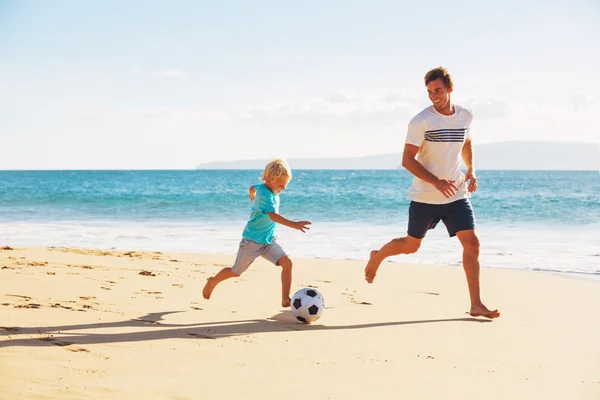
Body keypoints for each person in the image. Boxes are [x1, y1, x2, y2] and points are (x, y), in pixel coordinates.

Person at [364, 66, 500, 319]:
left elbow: (466, 142)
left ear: (450, 88)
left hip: (456, 194)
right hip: (425, 196)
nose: (433, 95)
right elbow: (407, 160)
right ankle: (378, 255)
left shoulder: (465, 116)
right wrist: (436, 182)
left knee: (472, 243)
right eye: (429, 92)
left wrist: (471, 169)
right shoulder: (421, 121)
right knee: (410, 246)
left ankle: (476, 304)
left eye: (437, 90)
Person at [203, 158, 311, 308]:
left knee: (287, 263)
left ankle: (285, 298)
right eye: (281, 185)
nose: (284, 188)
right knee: (235, 272)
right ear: (269, 180)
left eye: (285, 185)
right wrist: (294, 224)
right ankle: (212, 281)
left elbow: (252, 187)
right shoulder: (265, 196)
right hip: (251, 242)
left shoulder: (263, 187)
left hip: (268, 241)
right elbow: (272, 215)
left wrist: (251, 193)